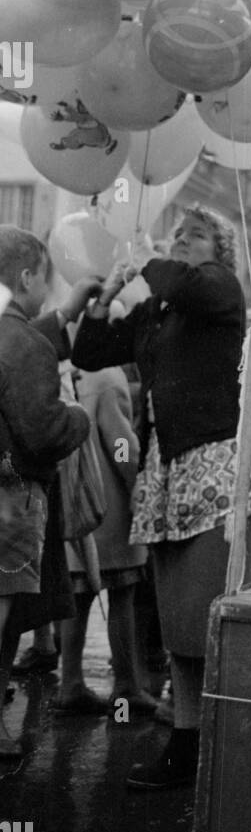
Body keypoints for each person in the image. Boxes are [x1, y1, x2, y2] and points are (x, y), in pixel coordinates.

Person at [71, 204, 251, 790]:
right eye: (176, 234)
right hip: (167, 468)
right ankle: (185, 740)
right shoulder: (160, 306)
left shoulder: (220, 288)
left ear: (218, 250)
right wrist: (104, 300)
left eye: (195, 236)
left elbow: (186, 280)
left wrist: (144, 259)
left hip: (214, 464)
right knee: (178, 614)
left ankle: (225, 741)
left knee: (210, 611)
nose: (181, 242)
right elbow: (90, 354)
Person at [0, 227, 91, 758]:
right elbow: (43, 430)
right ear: (28, 276)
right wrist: (76, 419)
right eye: (45, 281)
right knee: (5, 615)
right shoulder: (28, 344)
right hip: (13, 497)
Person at [54, 363, 155, 718]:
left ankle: (70, 683)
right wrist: (135, 482)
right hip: (110, 507)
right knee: (122, 595)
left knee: (77, 596)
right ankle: (126, 689)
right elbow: (121, 443)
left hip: (76, 501)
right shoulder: (109, 378)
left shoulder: (69, 371)